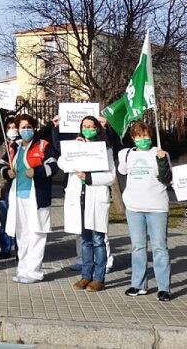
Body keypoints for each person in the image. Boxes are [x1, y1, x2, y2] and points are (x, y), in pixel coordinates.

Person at [58, 115, 114, 292]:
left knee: (98, 240)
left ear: (97, 128)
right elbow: (61, 163)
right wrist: (75, 147)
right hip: (79, 198)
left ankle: (99, 278)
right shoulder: (76, 145)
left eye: (91, 126)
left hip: (96, 196)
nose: (88, 128)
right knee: (85, 241)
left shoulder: (105, 149)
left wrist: (88, 177)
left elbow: (111, 176)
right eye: (85, 126)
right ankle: (85, 275)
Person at [118, 121, 173, 300]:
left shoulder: (160, 153)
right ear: (133, 138)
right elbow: (122, 171)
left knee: (160, 248)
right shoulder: (125, 154)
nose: (143, 139)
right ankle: (138, 284)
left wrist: (162, 160)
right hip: (134, 207)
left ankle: (164, 287)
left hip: (157, 207)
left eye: (146, 135)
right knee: (138, 247)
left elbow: (167, 179)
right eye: (139, 136)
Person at [2, 114, 58, 284]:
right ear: (17, 129)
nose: (26, 130)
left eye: (29, 127)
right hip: (18, 197)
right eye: (22, 127)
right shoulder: (13, 146)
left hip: (37, 198)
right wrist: (7, 173)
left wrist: (38, 171)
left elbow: (54, 166)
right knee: (21, 235)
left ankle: (34, 272)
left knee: (36, 234)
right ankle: (23, 269)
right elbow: (2, 165)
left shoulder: (43, 145)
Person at [0, 115, 20, 259]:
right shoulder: (2, 142)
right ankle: (5, 248)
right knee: (5, 218)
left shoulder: (24, 143)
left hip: (20, 186)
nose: (12, 130)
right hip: (1, 186)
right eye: (9, 128)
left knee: (19, 219)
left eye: (14, 127)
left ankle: (20, 250)